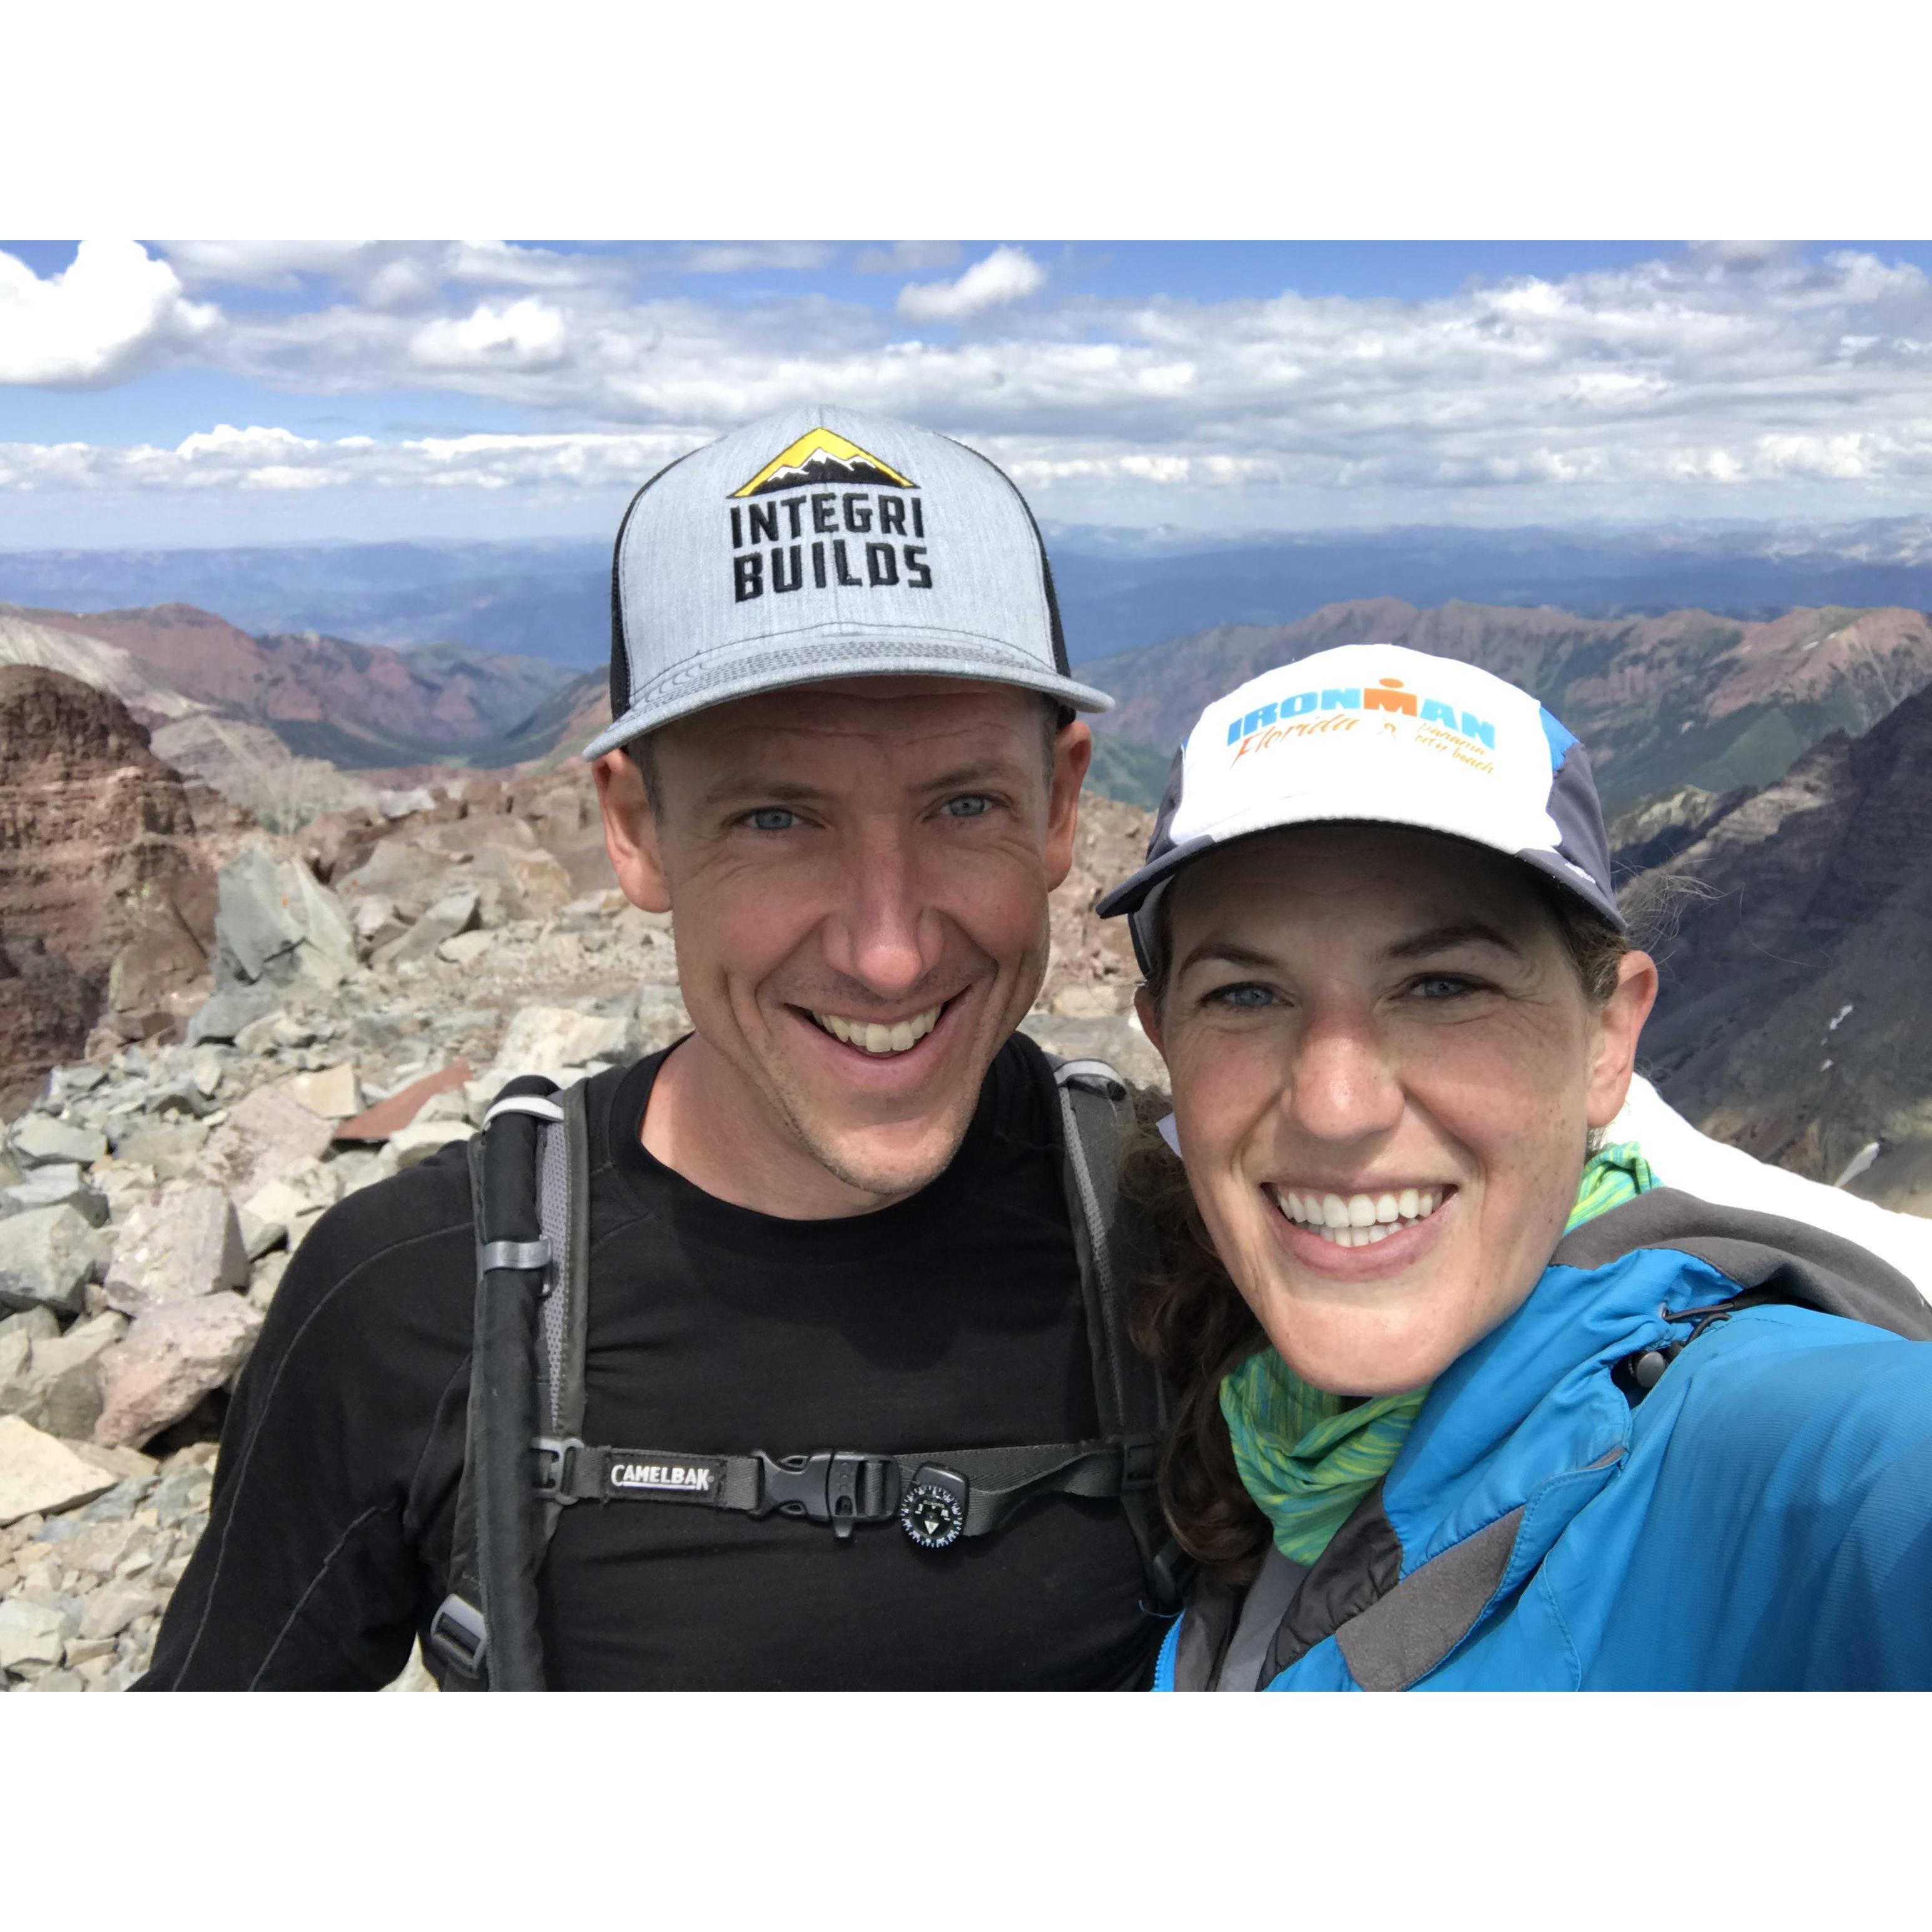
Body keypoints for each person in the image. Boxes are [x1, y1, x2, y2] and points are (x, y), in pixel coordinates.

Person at [140, 407, 1171, 1690]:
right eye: (776, 816)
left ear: (1062, 802)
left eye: (964, 803)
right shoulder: (410, 1304)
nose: (890, 951)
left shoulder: (1193, 1242)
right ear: (633, 827)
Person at [1095, 643, 1932, 1690]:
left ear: (1608, 1042)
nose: (1336, 1105)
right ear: (1162, 1037)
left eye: (1444, 986)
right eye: (1248, 995)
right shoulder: (1267, 1440)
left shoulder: (1776, 1445)